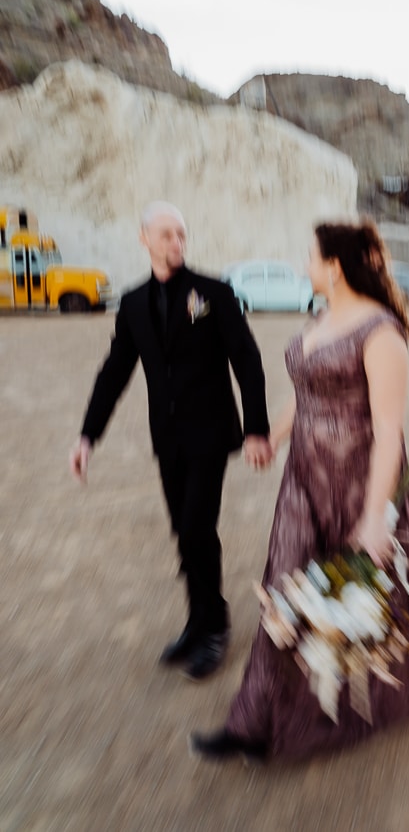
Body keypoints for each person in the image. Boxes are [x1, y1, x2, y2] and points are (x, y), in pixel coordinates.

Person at [189, 218, 409, 761]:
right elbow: (308, 390)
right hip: (304, 477)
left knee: (375, 595)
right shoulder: (323, 318)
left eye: (311, 257)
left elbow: (390, 429)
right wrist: (273, 434)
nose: (304, 266)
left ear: (335, 267)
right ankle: (257, 719)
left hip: (357, 482)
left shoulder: (380, 332)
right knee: (287, 588)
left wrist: (372, 517)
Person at [69, 201, 272, 680]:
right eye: (165, 235)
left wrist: (256, 428)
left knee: (198, 526)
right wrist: (87, 435)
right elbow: (115, 371)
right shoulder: (134, 303)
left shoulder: (214, 293)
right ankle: (197, 621)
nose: (176, 242)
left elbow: (247, 361)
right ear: (144, 239)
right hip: (168, 438)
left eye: (181, 234)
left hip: (210, 434)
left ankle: (216, 626)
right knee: (184, 531)